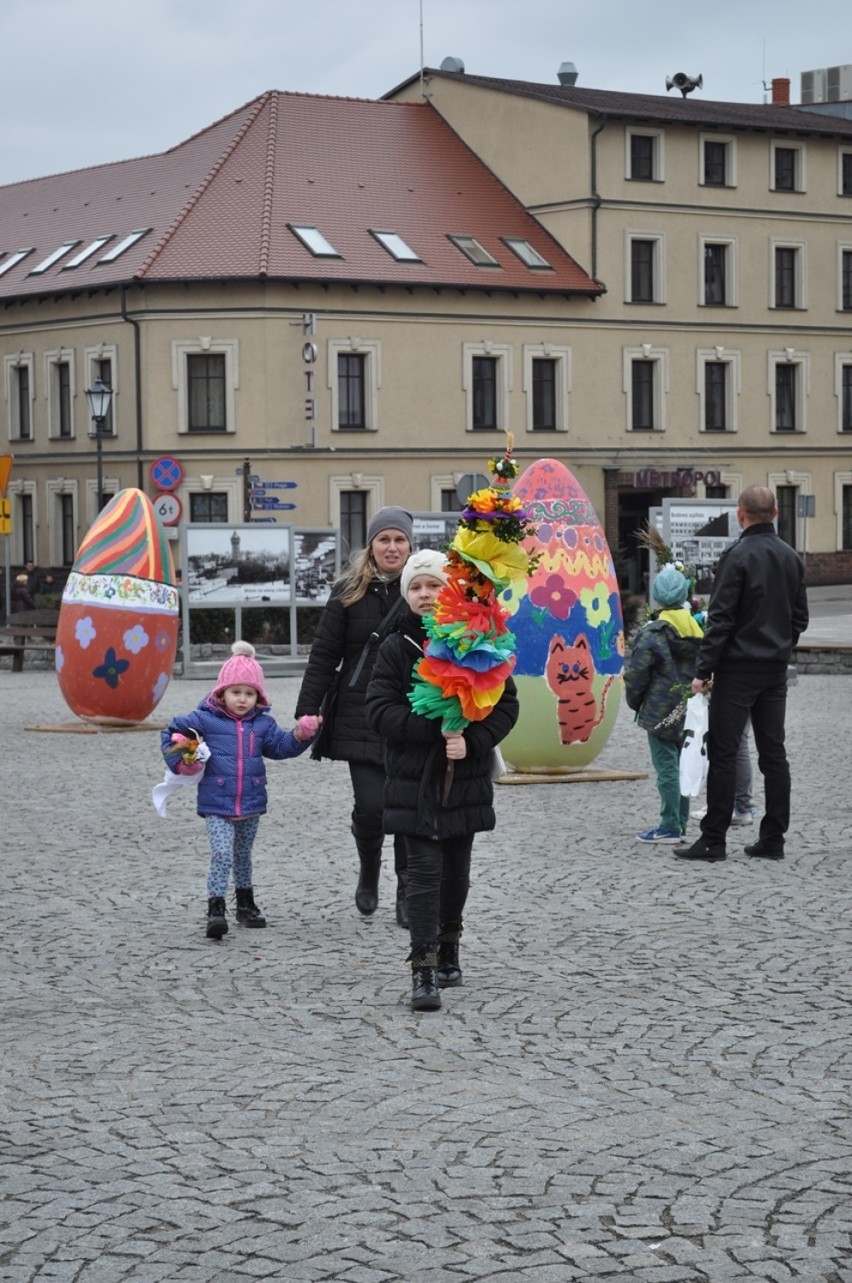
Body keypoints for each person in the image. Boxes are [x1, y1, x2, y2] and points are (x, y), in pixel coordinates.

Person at [365, 549, 519, 1011]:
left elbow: (505, 706)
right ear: (405, 595)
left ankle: (450, 945)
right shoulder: (395, 647)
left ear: (449, 589)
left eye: (433, 585)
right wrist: (432, 728)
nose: (425, 594)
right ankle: (424, 968)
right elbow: (378, 710)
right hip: (414, 780)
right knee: (424, 874)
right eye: (415, 587)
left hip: (465, 777)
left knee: (457, 874)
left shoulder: (476, 642)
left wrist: (471, 741)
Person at [675, 485, 808, 864]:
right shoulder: (791, 557)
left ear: (740, 514)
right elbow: (800, 618)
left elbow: (720, 620)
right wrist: (780, 645)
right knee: (774, 753)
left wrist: (703, 671)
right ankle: (773, 839)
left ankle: (713, 840)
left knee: (724, 750)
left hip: (737, 668)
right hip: (774, 669)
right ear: (776, 514)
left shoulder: (737, 556)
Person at [295, 506, 414, 926]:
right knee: (370, 806)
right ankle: (369, 869)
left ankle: (406, 889)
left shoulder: (425, 589)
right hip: (359, 711)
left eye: (400, 540)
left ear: (410, 545)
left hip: (411, 712)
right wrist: (307, 710)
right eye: (385, 539)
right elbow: (324, 655)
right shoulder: (348, 590)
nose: (392, 547)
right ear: (372, 545)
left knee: (406, 807)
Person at [160, 640, 321, 938]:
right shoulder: (203, 719)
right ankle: (216, 908)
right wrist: (183, 756)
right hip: (216, 803)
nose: (242, 700)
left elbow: (280, 747)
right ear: (221, 692)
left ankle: (246, 904)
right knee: (222, 853)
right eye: (236, 692)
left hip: (250, 801)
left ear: (258, 696)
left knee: (243, 854)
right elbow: (172, 732)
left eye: (249, 693)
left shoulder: (263, 724)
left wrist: (302, 735)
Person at [624, 564, 703, 844]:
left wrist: (635, 703)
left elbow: (636, 675)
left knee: (666, 767)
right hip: (690, 708)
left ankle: (669, 825)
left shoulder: (653, 633)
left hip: (660, 710)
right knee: (683, 764)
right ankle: (680, 822)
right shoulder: (697, 627)